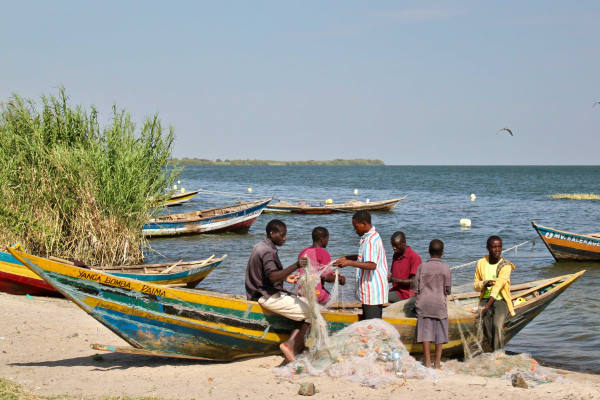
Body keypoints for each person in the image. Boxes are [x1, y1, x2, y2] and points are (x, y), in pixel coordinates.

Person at [245, 219, 310, 363]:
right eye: (282, 235)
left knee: (305, 304)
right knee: (311, 313)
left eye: (285, 235)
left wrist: (286, 277)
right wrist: (296, 265)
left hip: (258, 291)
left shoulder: (260, 246)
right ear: (272, 233)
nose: (284, 238)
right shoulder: (267, 251)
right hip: (265, 296)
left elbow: (267, 275)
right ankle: (291, 347)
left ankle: (295, 345)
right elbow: (273, 276)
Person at [334, 211, 388, 319]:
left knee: (372, 324)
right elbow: (363, 256)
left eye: (356, 227)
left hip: (373, 292)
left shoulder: (371, 241)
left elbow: (372, 265)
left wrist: (349, 263)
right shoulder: (368, 237)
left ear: (364, 224)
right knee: (369, 323)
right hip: (369, 291)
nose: (355, 230)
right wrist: (347, 258)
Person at [413, 239, 451, 369]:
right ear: (443, 252)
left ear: (428, 251)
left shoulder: (422, 267)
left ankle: (428, 362)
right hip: (439, 305)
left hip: (423, 305)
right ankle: (437, 363)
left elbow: (415, 288)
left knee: (425, 333)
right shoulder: (446, 268)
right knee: (440, 333)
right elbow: (448, 289)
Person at [473, 235, 516, 351]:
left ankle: (498, 354)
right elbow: (475, 286)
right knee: (486, 326)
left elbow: (498, 286)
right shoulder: (481, 263)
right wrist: (484, 284)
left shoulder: (506, 265)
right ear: (487, 248)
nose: (497, 250)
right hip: (484, 299)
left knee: (497, 324)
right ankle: (495, 349)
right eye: (494, 247)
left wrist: (487, 306)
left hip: (500, 300)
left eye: (499, 247)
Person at [286, 226, 346, 305]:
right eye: (327, 239)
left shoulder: (303, 252)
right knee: (331, 299)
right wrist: (340, 279)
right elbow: (325, 277)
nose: (327, 241)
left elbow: (313, 272)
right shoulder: (323, 252)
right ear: (322, 239)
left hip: (302, 293)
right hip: (316, 295)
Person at [388, 231, 422, 303]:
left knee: (380, 297)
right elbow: (394, 275)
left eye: (396, 246)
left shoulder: (413, 257)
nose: (394, 248)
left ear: (403, 244)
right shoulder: (396, 255)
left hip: (406, 294)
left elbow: (414, 281)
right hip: (396, 290)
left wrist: (393, 279)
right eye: (392, 246)